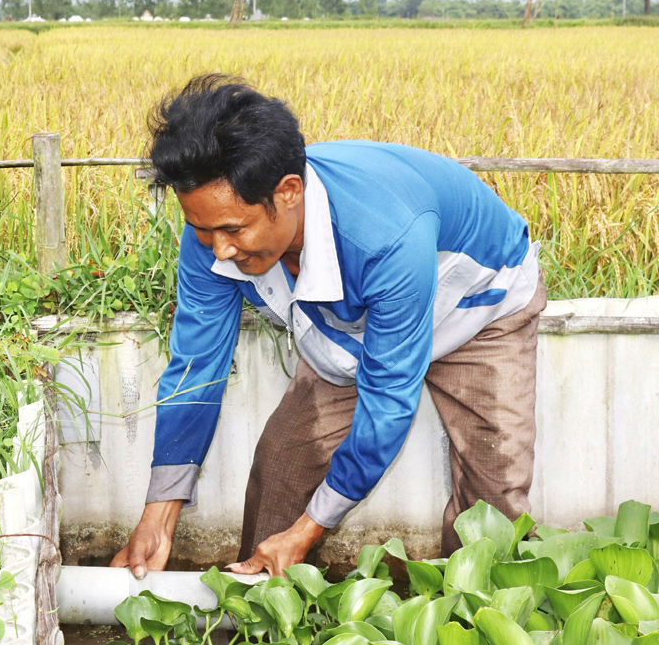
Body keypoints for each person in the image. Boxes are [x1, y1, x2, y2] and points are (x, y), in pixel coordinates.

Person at [110, 74, 545, 578]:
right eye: (201, 229)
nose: (220, 250)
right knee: (284, 461)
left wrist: (308, 531)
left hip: (480, 308)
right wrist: (158, 516)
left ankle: (476, 626)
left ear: (289, 192)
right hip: (353, 323)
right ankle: (260, 620)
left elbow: (387, 403)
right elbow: (195, 366)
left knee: (494, 497)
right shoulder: (211, 239)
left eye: (232, 229)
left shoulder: (384, 237)